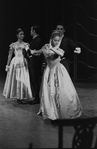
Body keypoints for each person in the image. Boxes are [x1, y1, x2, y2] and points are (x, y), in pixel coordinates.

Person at [31, 31, 83, 120]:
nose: (57, 42)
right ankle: (52, 112)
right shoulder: (46, 47)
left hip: (59, 70)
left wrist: (53, 48)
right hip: (49, 71)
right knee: (50, 92)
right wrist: (30, 51)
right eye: (55, 40)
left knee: (62, 91)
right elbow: (38, 52)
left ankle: (62, 111)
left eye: (58, 40)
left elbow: (61, 54)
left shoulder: (59, 49)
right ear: (51, 40)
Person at [3, 28, 35, 104]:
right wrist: (7, 65)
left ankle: (22, 95)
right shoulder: (13, 44)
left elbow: (28, 53)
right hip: (15, 62)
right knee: (16, 78)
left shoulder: (26, 44)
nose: (22, 35)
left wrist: (29, 52)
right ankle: (18, 96)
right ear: (17, 35)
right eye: (20, 34)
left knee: (23, 78)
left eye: (23, 34)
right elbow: (9, 55)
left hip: (23, 62)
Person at [27, 25, 45, 104]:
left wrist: (28, 49)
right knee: (33, 79)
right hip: (32, 61)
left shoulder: (38, 40)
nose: (30, 31)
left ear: (34, 31)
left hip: (36, 62)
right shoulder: (34, 40)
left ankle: (37, 98)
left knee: (35, 79)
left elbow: (36, 52)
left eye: (31, 30)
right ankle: (35, 96)